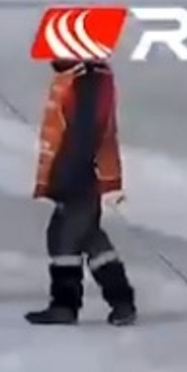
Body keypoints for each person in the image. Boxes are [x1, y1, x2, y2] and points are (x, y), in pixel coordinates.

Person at [25, 59, 136, 326]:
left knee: (64, 237)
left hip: (78, 174)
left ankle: (65, 306)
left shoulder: (87, 81)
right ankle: (121, 302)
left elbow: (84, 134)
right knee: (89, 237)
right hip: (76, 172)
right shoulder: (79, 77)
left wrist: (67, 176)